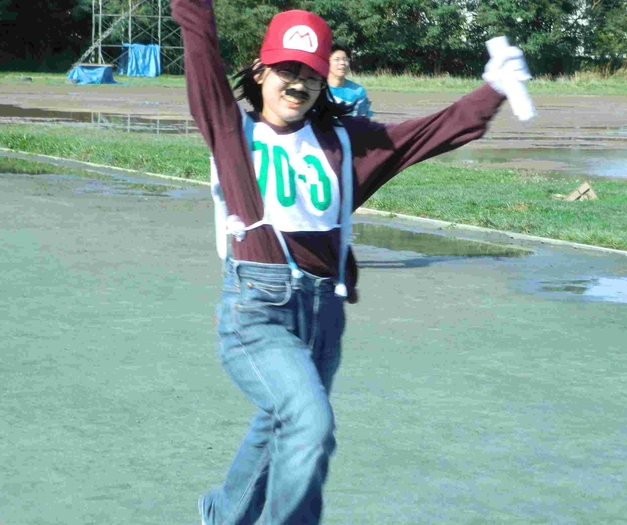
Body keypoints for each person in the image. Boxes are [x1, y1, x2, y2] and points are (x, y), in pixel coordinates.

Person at [171, 0, 531, 523]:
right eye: (286, 70)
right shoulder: (232, 133)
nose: (298, 84)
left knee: (283, 424)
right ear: (260, 71)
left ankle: (223, 515)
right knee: (308, 422)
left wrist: (494, 88)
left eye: (310, 75)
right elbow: (201, 47)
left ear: (324, 83)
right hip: (257, 312)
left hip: (324, 313)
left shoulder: (344, 143)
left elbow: (429, 134)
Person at [326, 43, 373, 117]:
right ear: (327, 62)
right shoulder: (318, 88)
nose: (342, 63)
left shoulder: (358, 91)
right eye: (337, 59)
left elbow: (364, 120)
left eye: (345, 59)